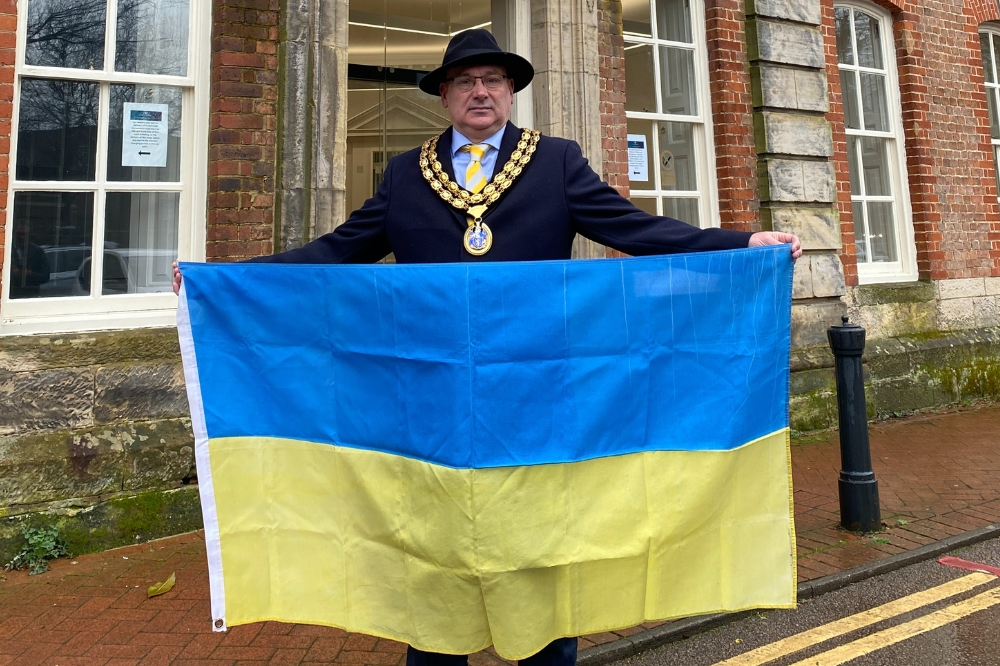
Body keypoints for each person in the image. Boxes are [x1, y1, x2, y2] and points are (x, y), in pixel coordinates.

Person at [173, 28, 800, 666]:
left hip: (536, 402)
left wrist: (740, 243)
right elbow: (339, 251)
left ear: (510, 92)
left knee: (542, 552)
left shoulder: (555, 160)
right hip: (432, 405)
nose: (480, 91)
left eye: (493, 80)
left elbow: (633, 230)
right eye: (466, 81)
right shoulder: (405, 174)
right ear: (444, 95)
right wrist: (225, 281)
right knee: (435, 558)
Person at [10, 222, 51, 299]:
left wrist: (29, 273)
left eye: (24, 234)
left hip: (31, 295)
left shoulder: (37, 251)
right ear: (14, 233)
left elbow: (45, 276)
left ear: (29, 235)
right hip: (11, 293)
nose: (22, 237)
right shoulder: (8, 250)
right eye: (19, 234)